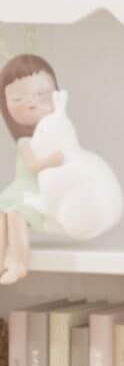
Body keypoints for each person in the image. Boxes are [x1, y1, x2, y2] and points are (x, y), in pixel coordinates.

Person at [0, 54, 66, 285]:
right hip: (24, 188)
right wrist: (54, 159)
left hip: (37, 192)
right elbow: (33, 166)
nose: (31, 103)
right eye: (18, 98)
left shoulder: (55, 135)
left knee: (16, 213)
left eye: (41, 94)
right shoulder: (25, 142)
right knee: (5, 211)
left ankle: (19, 261)